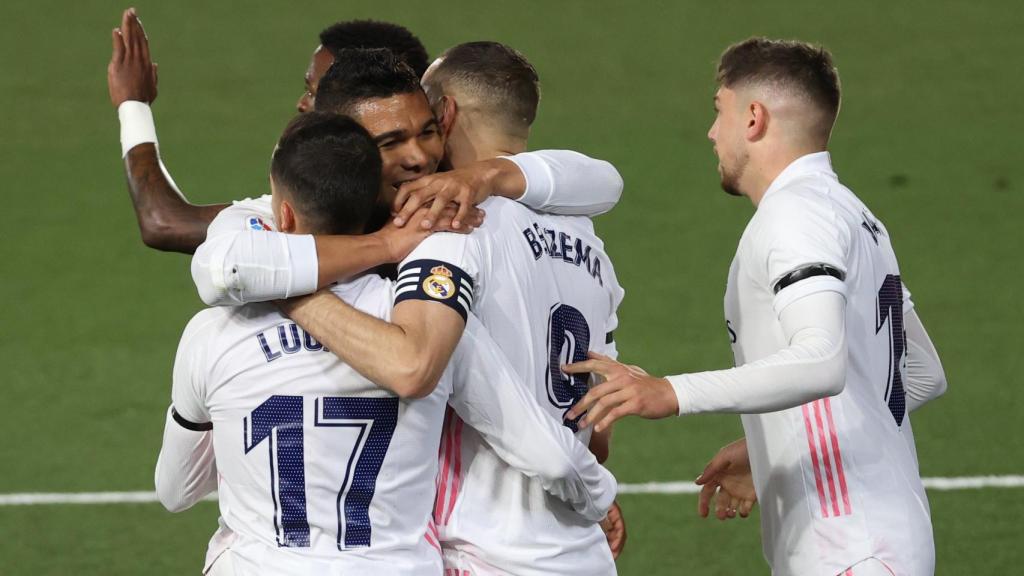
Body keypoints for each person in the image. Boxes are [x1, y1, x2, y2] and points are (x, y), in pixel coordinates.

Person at [154, 112, 616, 576]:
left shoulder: (211, 333)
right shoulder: (433, 327)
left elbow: (176, 491)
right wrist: (598, 498)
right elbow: (550, 456)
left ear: (284, 214)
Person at [562, 38, 947, 576]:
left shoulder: (796, 217)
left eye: (719, 111)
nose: (711, 132)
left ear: (754, 118)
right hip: (879, 539)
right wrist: (768, 445)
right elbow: (923, 374)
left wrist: (669, 392)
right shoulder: (855, 215)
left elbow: (821, 361)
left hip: (847, 545)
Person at [280, 42, 625, 576]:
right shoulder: (590, 244)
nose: (419, 154)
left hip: (482, 552)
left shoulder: (454, 229)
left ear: (444, 113)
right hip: (578, 550)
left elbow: (415, 367)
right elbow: (597, 433)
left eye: (425, 127)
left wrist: (290, 285)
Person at [108, 8, 430, 252]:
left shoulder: (465, 207)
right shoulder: (307, 205)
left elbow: (165, 222)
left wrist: (133, 104)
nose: (303, 104)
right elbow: (164, 222)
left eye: (317, 92)